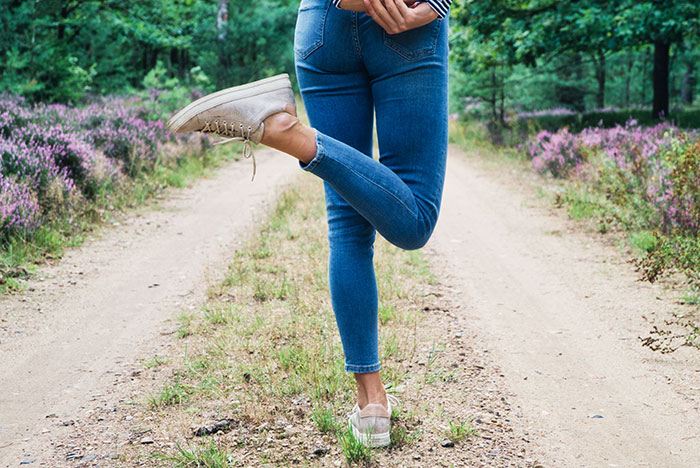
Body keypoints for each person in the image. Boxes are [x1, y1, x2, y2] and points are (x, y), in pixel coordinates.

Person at [167, 0, 451, 448]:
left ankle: (372, 402)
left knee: (348, 224)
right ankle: (293, 136)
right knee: (414, 221)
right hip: (409, 25)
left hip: (324, 23)